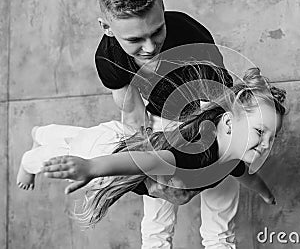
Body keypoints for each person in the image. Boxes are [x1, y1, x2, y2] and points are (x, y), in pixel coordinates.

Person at [40, 67, 287, 234]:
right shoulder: (197, 152)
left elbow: (246, 175)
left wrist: (265, 193)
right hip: (108, 149)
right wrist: (91, 167)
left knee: (72, 138)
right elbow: (147, 160)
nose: (266, 144)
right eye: (259, 132)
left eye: (272, 137)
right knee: (60, 150)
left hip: (126, 152)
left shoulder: (232, 157)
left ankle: (45, 136)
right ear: (230, 123)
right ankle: (37, 142)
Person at [94, 0, 240, 247]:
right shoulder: (108, 58)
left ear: (161, 3)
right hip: (161, 117)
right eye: (135, 40)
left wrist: (203, 171)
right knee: (157, 217)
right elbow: (133, 116)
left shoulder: (192, 37)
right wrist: (151, 177)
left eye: (157, 31)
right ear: (107, 28)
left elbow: (221, 103)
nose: (149, 47)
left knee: (220, 211)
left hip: (208, 114)